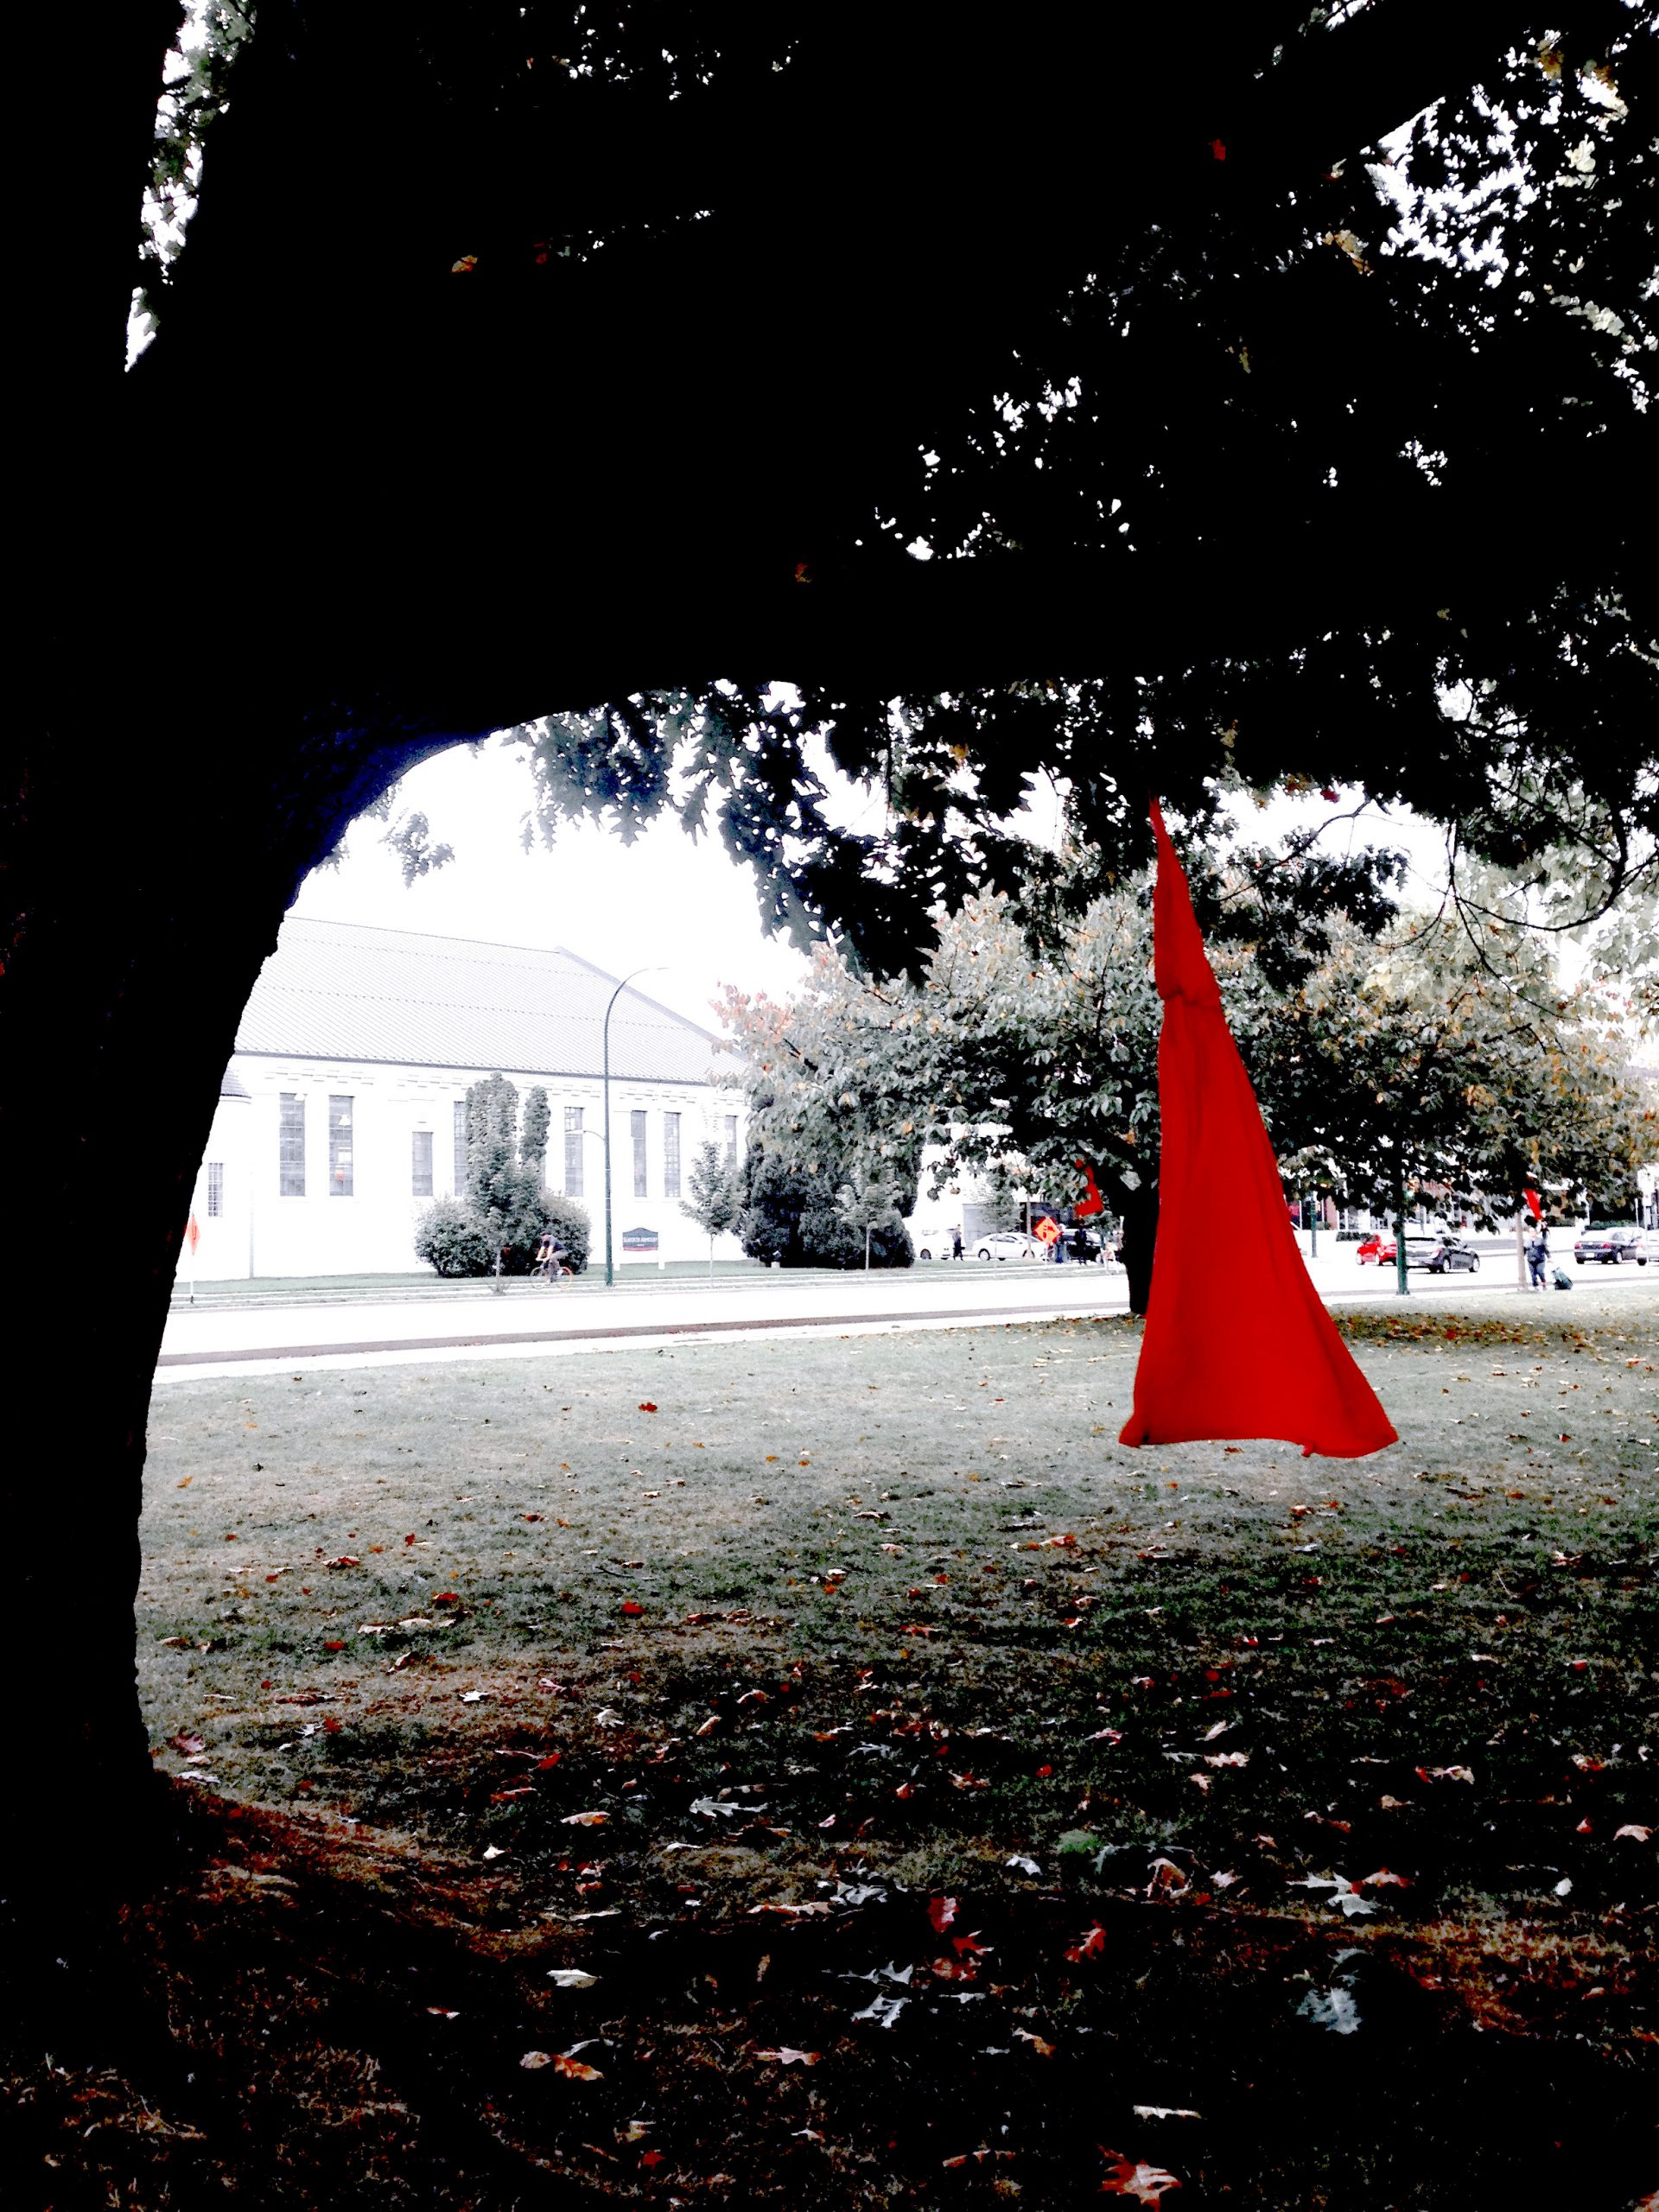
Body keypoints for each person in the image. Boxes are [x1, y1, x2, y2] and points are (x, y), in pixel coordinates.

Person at [1526, 1226, 1548, 1291]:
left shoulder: (1540, 1240)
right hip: (1531, 1260)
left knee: (1540, 1272)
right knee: (1533, 1274)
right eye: (1530, 1232)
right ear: (1529, 1233)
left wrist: (1549, 1257)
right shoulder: (1527, 1241)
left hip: (1540, 1260)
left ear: (1536, 1232)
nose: (1532, 1233)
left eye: (1533, 1231)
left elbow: (1545, 1249)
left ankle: (1543, 1283)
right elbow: (1524, 1250)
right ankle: (1535, 1286)